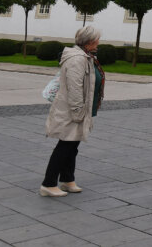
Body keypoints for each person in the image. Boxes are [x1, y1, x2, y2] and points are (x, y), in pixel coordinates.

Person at [40, 25, 105, 197]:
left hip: (81, 109)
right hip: (73, 111)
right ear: (90, 41)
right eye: (97, 39)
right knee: (65, 146)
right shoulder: (77, 60)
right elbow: (75, 88)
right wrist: (78, 112)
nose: (99, 42)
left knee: (72, 146)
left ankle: (67, 180)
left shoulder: (86, 57)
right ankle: (48, 183)